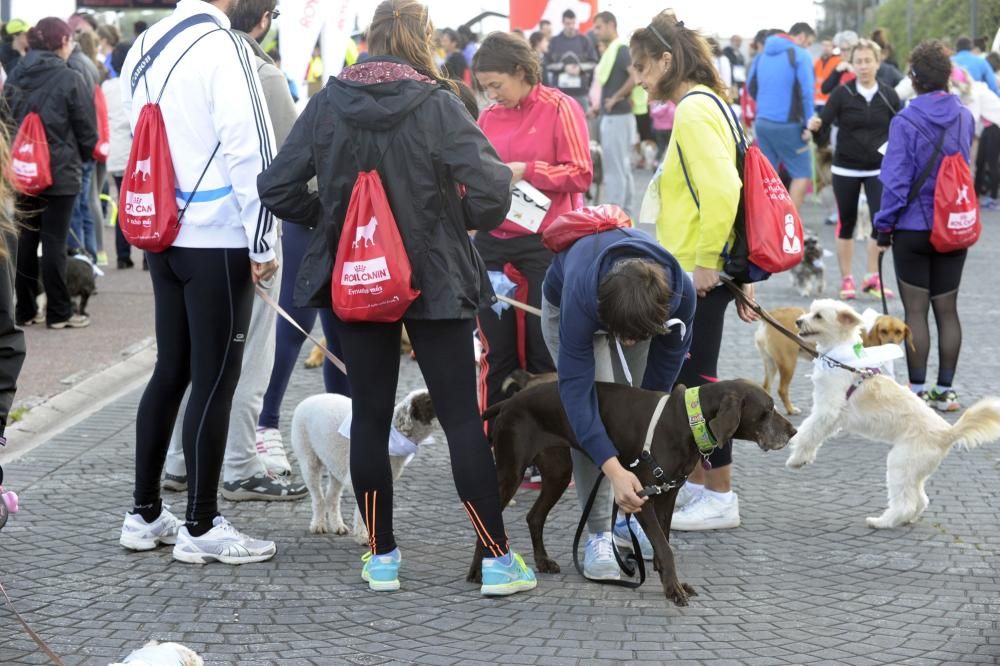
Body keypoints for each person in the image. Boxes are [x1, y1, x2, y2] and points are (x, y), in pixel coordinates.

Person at [258, 0, 537, 596]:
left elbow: (277, 185)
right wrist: (452, 219)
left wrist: (334, 220)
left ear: (370, 39)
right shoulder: (437, 102)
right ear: (422, 39)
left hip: (356, 275)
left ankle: (381, 556)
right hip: (434, 277)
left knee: (370, 416)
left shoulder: (330, 101)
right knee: (462, 417)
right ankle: (496, 559)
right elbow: (493, 188)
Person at [118, 0, 280, 564]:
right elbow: (251, 150)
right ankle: (202, 524)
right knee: (213, 381)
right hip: (216, 237)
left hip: (163, 230)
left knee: (171, 372)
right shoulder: (228, 47)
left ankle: (143, 513)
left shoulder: (146, 42)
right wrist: (265, 242)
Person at [159, 0, 308, 503]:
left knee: (194, 360)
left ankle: (181, 462)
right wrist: (268, 240)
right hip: (243, 234)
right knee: (249, 356)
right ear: (262, 20)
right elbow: (285, 164)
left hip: (181, 231)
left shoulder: (179, 56)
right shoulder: (259, 73)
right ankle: (241, 465)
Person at [631, 11, 759, 531]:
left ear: (667, 60)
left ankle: (721, 494)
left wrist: (708, 262)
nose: (637, 80)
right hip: (701, 266)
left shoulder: (692, 110)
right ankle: (705, 486)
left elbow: (726, 190)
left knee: (697, 385)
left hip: (697, 271)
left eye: (641, 68)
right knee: (688, 380)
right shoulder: (715, 105)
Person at [540, 218, 694, 580]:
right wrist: (613, 469)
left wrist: (638, 448)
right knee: (596, 414)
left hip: (634, 310)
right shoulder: (581, 295)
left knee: (634, 413)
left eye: (634, 338)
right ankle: (599, 533)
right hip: (570, 301)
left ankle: (628, 516)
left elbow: (654, 400)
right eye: (621, 337)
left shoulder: (681, 295)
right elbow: (578, 400)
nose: (625, 345)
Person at [471, 31, 591, 420]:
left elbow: (581, 174)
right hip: (493, 240)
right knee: (496, 348)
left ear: (521, 72)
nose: (492, 95)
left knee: (544, 348)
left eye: (497, 85)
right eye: (485, 87)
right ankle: (493, 442)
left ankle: (547, 450)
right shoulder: (487, 116)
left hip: (547, 242)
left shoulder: (559, 107)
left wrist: (527, 171)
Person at [874, 40, 975, 412]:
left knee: (915, 311)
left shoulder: (904, 121)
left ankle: (915, 391)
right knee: (947, 310)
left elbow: (897, 182)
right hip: (953, 225)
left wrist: (883, 228)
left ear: (913, 78)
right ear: (948, 77)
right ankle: (946, 391)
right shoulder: (964, 116)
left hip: (914, 228)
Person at [4, 17, 97, 330]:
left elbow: (6, 119)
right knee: (55, 241)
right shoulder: (69, 77)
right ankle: (59, 312)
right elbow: (86, 128)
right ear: (61, 42)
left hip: (23, 171)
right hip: (60, 172)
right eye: (69, 40)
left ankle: (25, 309)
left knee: (27, 240)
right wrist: (83, 157)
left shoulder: (16, 73)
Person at [808, 39, 900, 301]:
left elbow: (900, 129)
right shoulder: (842, 93)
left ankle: (873, 278)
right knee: (846, 223)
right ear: (852, 64)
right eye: (858, 61)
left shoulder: (888, 94)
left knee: (880, 223)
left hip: (877, 169)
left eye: (868, 61)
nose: (863, 66)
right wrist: (815, 129)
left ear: (877, 62)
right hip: (846, 167)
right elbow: (822, 129)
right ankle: (847, 278)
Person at [747, 22, 815, 212]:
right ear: (801, 37)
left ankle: (768, 227)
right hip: (788, 125)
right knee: (802, 173)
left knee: (769, 177)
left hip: (762, 123)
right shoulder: (800, 54)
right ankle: (788, 228)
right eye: (808, 42)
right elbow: (807, 93)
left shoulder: (760, 57)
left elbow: (751, 88)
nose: (807, 46)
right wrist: (809, 123)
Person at [592, 12, 636, 215]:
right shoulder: (616, 50)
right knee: (621, 166)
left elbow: (635, 76)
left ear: (611, 25)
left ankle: (615, 215)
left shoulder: (620, 50)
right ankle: (623, 211)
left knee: (614, 169)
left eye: (599, 27)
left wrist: (616, 98)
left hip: (617, 117)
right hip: (618, 116)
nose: (596, 31)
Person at [66, 27, 101, 262]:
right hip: (88, 144)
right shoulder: (89, 64)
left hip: (78, 147)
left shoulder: (72, 67)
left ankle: (81, 258)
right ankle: (92, 255)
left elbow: (79, 111)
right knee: (87, 204)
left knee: (77, 208)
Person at [102, 42, 133, 269]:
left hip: (114, 152)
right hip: (136, 152)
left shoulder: (106, 86)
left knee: (123, 203)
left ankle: (123, 255)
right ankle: (149, 254)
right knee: (145, 202)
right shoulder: (136, 82)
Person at [544, 9, 597, 113]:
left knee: (582, 126)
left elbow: (594, 63)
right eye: (568, 23)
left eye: (573, 23)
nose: (571, 26)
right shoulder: (555, 41)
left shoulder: (584, 40)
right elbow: (547, 65)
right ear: (563, 23)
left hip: (581, 93)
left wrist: (580, 68)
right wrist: (564, 68)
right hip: (559, 94)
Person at [976, 53, 1000, 211]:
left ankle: (993, 198)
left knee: (991, 163)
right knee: (980, 161)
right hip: (988, 127)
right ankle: (976, 195)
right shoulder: (983, 86)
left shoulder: (979, 88)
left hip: (995, 127)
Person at [813, 38, 840, 113]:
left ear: (833, 47)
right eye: (824, 45)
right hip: (817, 101)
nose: (826, 48)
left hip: (830, 101)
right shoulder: (817, 62)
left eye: (828, 45)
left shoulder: (838, 61)